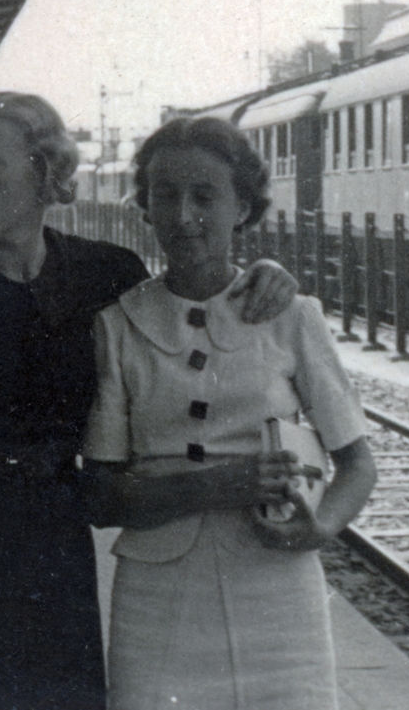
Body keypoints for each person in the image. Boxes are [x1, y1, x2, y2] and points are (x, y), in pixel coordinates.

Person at [0, 92, 300, 710]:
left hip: (57, 555)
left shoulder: (102, 274)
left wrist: (267, 272)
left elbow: (191, 300)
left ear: (44, 171)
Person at [83, 116, 377, 710]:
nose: (184, 214)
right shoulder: (118, 325)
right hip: (157, 600)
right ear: (144, 206)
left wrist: (320, 529)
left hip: (277, 593)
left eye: (205, 196)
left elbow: (358, 464)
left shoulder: (292, 316)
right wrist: (217, 484)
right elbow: (101, 495)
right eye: (165, 195)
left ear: (243, 206)